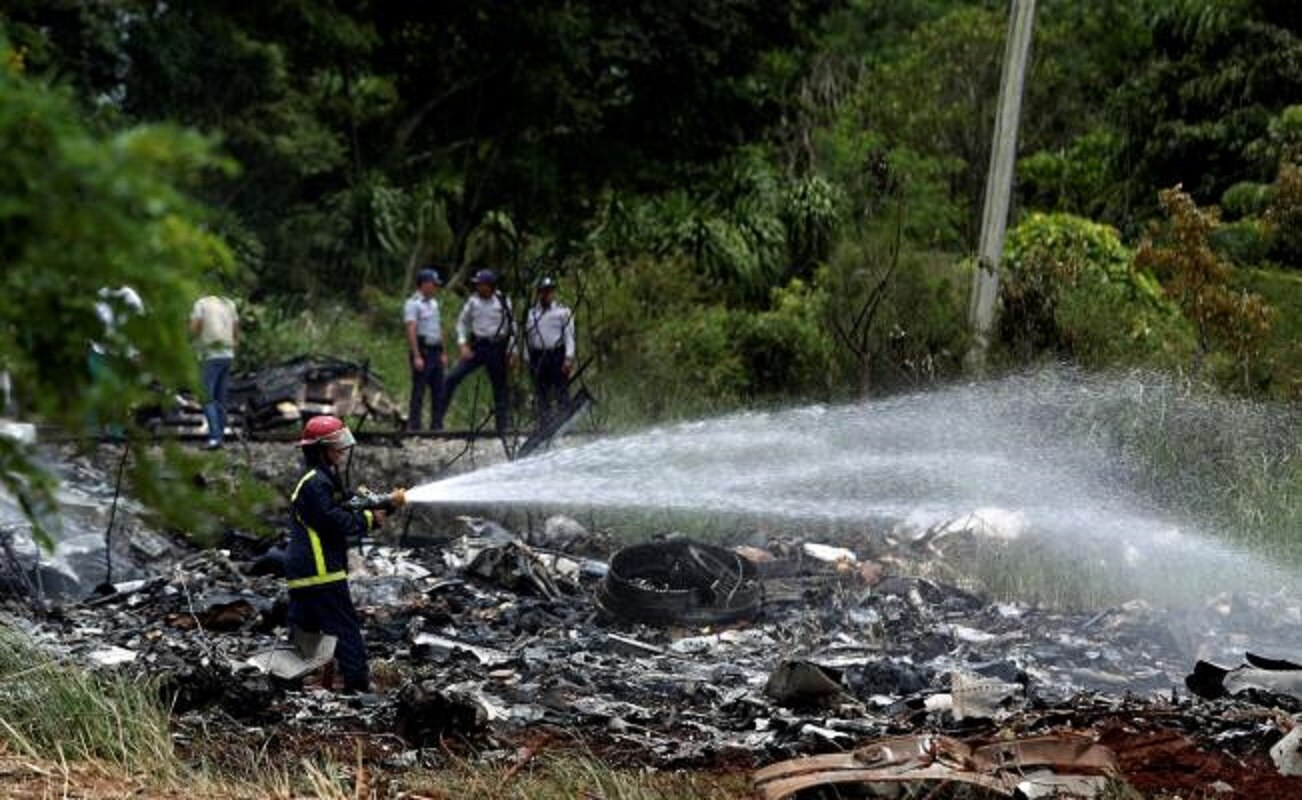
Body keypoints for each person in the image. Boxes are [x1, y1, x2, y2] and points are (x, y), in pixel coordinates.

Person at [285, 415, 383, 693]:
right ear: (319, 449)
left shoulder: (320, 480)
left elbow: (343, 503)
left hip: (305, 572)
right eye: (336, 445)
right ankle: (358, 686)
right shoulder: (316, 483)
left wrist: (378, 502)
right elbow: (334, 522)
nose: (341, 451)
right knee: (344, 628)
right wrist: (369, 519)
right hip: (320, 571)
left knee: (304, 632)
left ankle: (290, 683)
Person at [444, 269, 515, 434]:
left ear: (489, 286)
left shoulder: (503, 301)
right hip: (477, 345)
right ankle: (438, 420)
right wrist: (462, 344)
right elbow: (462, 323)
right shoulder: (472, 302)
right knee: (453, 377)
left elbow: (512, 327)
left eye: (480, 284)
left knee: (500, 387)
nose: (477, 287)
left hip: (497, 347)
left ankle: (502, 427)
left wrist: (513, 350)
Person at [189, 293, 239, 449]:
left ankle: (215, 438)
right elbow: (236, 327)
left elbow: (195, 327)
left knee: (206, 397)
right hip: (227, 355)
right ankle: (220, 435)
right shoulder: (229, 303)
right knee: (221, 397)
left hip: (209, 355)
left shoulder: (201, 303)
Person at [524, 276, 575, 426]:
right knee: (541, 392)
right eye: (543, 292)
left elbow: (569, 335)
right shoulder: (531, 314)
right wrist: (528, 358)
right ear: (539, 293)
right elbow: (528, 337)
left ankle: (565, 421)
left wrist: (569, 357)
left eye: (550, 291)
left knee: (561, 389)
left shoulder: (562, 312)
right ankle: (545, 423)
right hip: (538, 355)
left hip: (556, 354)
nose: (547, 295)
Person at [404, 268, 447, 431]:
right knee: (419, 390)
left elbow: (438, 328)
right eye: (433, 284)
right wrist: (416, 355)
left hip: (435, 349)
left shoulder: (434, 304)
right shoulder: (413, 303)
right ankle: (415, 425)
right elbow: (411, 329)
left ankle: (437, 425)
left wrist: (443, 352)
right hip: (423, 349)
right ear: (425, 284)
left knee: (438, 389)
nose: (435, 288)